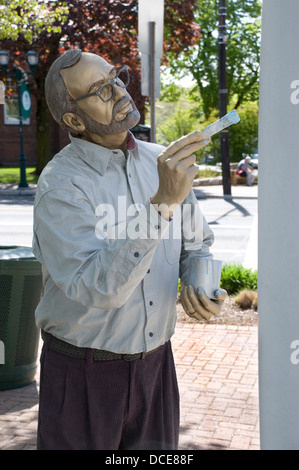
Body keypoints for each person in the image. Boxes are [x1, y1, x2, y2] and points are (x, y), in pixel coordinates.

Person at [33, 49, 227, 451]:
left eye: (115, 76)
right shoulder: (61, 185)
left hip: (156, 367)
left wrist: (199, 282)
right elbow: (98, 288)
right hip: (81, 373)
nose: (119, 90)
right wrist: (161, 205)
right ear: (73, 120)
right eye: (100, 89)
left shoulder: (161, 163)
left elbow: (198, 244)